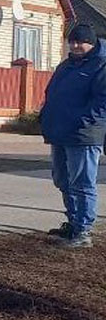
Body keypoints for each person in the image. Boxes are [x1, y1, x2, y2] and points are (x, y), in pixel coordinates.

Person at [40, 23, 106, 248]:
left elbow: (102, 103)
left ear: (92, 42)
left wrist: (81, 122)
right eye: (73, 41)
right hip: (60, 132)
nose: (76, 45)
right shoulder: (66, 66)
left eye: (81, 42)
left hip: (83, 135)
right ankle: (74, 222)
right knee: (62, 179)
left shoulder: (101, 66)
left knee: (82, 182)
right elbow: (52, 94)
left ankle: (84, 230)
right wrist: (45, 117)